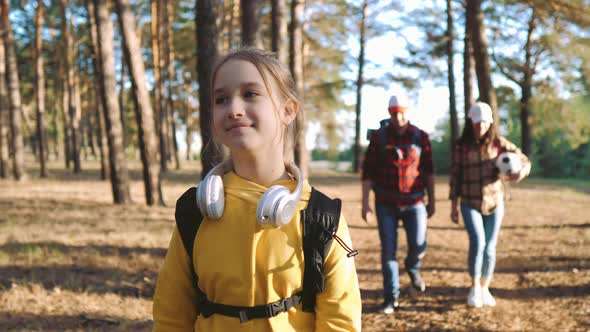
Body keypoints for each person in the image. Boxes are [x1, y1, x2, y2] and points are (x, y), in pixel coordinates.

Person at [153, 48, 361, 331]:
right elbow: (170, 315)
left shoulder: (320, 215)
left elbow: (340, 321)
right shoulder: (196, 210)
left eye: (250, 94)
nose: (234, 109)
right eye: (221, 99)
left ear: (288, 110)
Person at [449, 101, 531, 308]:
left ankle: (485, 287)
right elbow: (455, 175)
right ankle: (474, 287)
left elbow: (524, 160)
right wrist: (453, 205)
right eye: (477, 123)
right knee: (478, 243)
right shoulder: (461, 146)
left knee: (490, 248)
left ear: (490, 123)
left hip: (494, 203)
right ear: (470, 123)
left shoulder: (498, 143)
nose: (481, 127)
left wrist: (520, 172)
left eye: (485, 123)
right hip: (469, 202)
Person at [361, 93, 435, 315]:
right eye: (394, 113)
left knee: (418, 245)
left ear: (408, 112)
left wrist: (433, 200)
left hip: (415, 203)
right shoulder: (379, 138)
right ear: (389, 113)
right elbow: (367, 173)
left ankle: (413, 268)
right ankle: (390, 298)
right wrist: (366, 204)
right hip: (386, 204)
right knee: (388, 252)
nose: (398, 117)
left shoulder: (420, 137)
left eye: (402, 112)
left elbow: (429, 171)